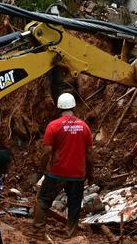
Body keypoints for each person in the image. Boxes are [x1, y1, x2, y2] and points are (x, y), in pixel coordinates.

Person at [33, 93, 93, 236]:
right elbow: (89, 154)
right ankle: (71, 232)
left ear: (59, 107)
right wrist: (90, 173)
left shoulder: (53, 126)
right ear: (74, 106)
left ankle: (38, 231)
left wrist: (43, 167)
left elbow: (47, 151)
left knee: (43, 200)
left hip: (57, 172)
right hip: (78, 174)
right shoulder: (84, 127)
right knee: (74, 204)